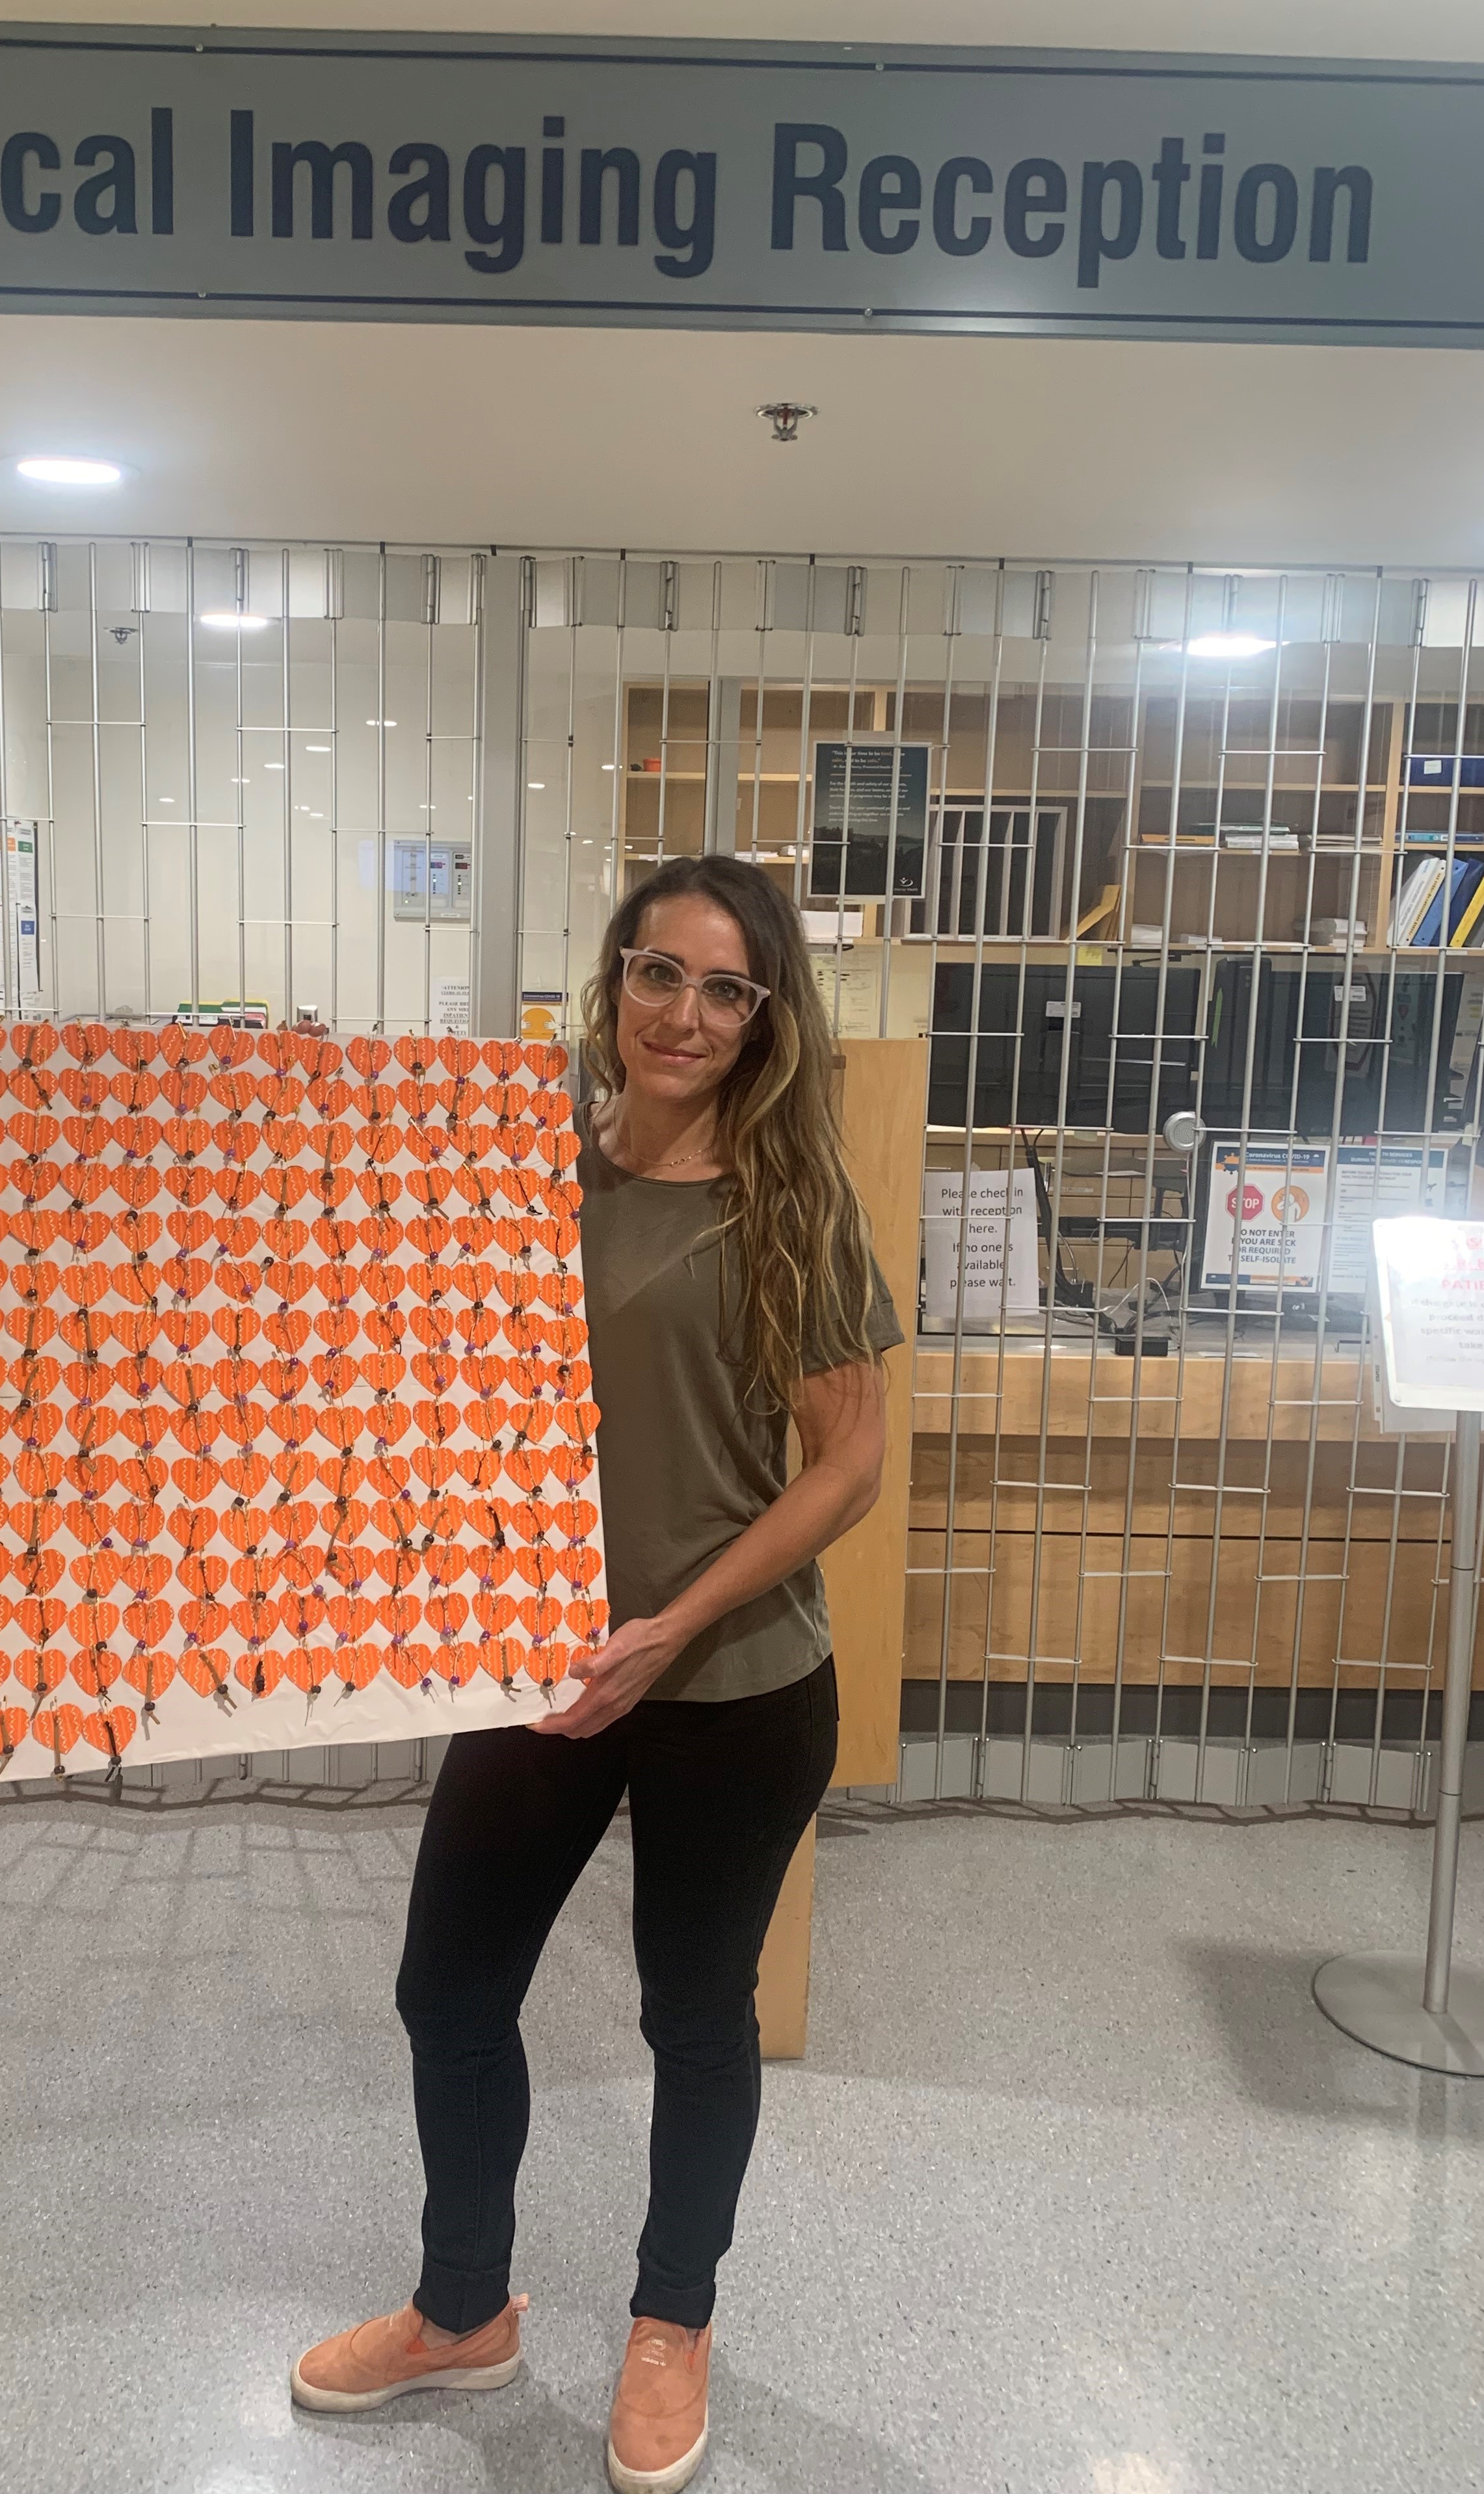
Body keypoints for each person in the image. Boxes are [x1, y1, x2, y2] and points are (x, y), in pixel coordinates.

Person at [291, 854, 903, 2492]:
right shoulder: (516, 1175)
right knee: (448, 1992)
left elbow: (849, 1465)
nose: (684, 1016)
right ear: (611, 980)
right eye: (658, 974)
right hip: (539, 1666)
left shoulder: (794, 1200)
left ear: (765, 1016)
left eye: (724, 989)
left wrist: (676, 1623)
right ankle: (462, 2306)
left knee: (696, 2016)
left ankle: (669, 2323)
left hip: (736, 1682)